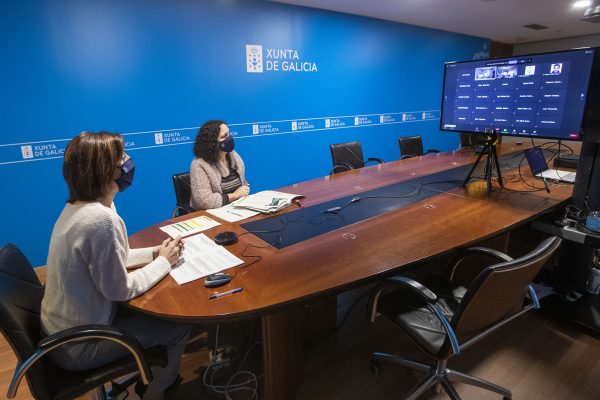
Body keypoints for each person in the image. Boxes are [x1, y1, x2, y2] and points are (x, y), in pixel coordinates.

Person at [41, 131, 190, 400]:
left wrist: (154, 253)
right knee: (178, 328)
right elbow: (119, 290)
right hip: (78, 344)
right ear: (101, 170)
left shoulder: (83, 208)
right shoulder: (99, 220)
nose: (128, 161)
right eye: (121, 157)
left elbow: (110, 258)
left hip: (63, 330)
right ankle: (155, 393)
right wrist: (164, 262)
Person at [190, 120, 249, 209]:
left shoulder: (233, 155)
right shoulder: (199, 164)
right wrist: (235, 195)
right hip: (212, 212)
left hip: (236, 208)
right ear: (212, 143)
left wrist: (245, 189)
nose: (229, 138)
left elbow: (242, 184)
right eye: (224, 136)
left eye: (229, 134)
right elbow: (203, 201)